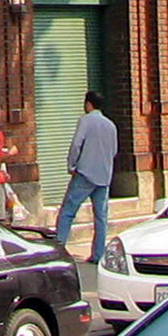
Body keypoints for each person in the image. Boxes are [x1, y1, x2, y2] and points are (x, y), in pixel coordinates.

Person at [54, 91, 117, 266]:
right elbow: (114, 151)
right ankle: (98, 254)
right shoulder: (110, 125)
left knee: (67, 212)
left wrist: (71, 165)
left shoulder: (86, 121)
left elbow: (76, 144)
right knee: (101, 217)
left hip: (85, 173)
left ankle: (59, 250)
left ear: (88, 104)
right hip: (104, 176)